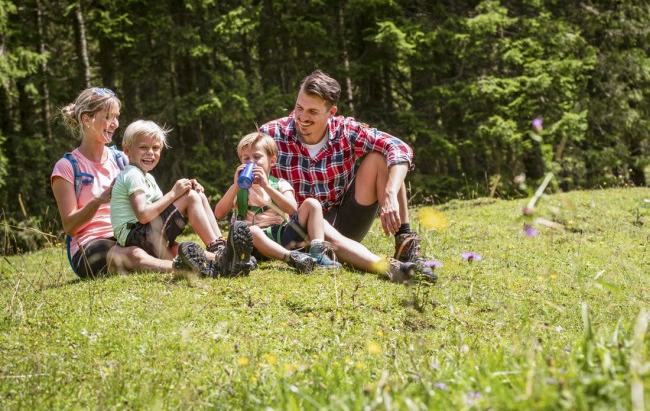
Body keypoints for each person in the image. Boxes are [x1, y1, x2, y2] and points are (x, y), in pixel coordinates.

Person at [260, 69, 435, 276]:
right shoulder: (271, 134)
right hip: (299, 229)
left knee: (380, 158)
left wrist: (390, 193)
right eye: (299, 108)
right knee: (319, 222)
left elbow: (398, 147)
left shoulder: (346, 130)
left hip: (346, 220)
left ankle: (405, 244)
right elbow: (251, 180)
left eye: (312, 112)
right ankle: (391, 270)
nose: (302, 117)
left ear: (331, 112)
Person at [214, 132, 432, 283]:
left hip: (282, 234)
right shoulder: (240, 189)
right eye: (245, 158)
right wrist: (235, 185)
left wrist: (267, 188)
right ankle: (296, 260)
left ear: (272, 161)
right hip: (254, 243)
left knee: (312, 204)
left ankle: (386, 266)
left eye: (256, 157)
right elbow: (220, 213)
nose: (251, 162)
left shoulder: (278, 184)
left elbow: (291, 209)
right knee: (251, 230)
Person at [51, 87, 208, 278]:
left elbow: (147, 198)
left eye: (117, 117)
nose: (115, 124)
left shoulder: (121, 159)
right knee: (135, 255)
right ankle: (187, 270)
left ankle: (223, 259)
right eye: (109, 117)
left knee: (174, 248)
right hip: (91, 244)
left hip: (129, 234)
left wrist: (182, 193)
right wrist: (98, 200)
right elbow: (69, 227)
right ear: (86, 119)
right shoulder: (67, 167)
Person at [111, 120, 255, 277]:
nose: (150, 153)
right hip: (136, 236)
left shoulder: (147, 178)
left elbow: (164, 208)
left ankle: (224, 257)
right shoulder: (132, 174)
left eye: (155, 148)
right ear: (126, 150)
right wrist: (175, 193)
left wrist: (183, 192)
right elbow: (144, 215)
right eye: (143, 147)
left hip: (145, 235)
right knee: (192, 197)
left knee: (196, 195)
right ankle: (220, 251)